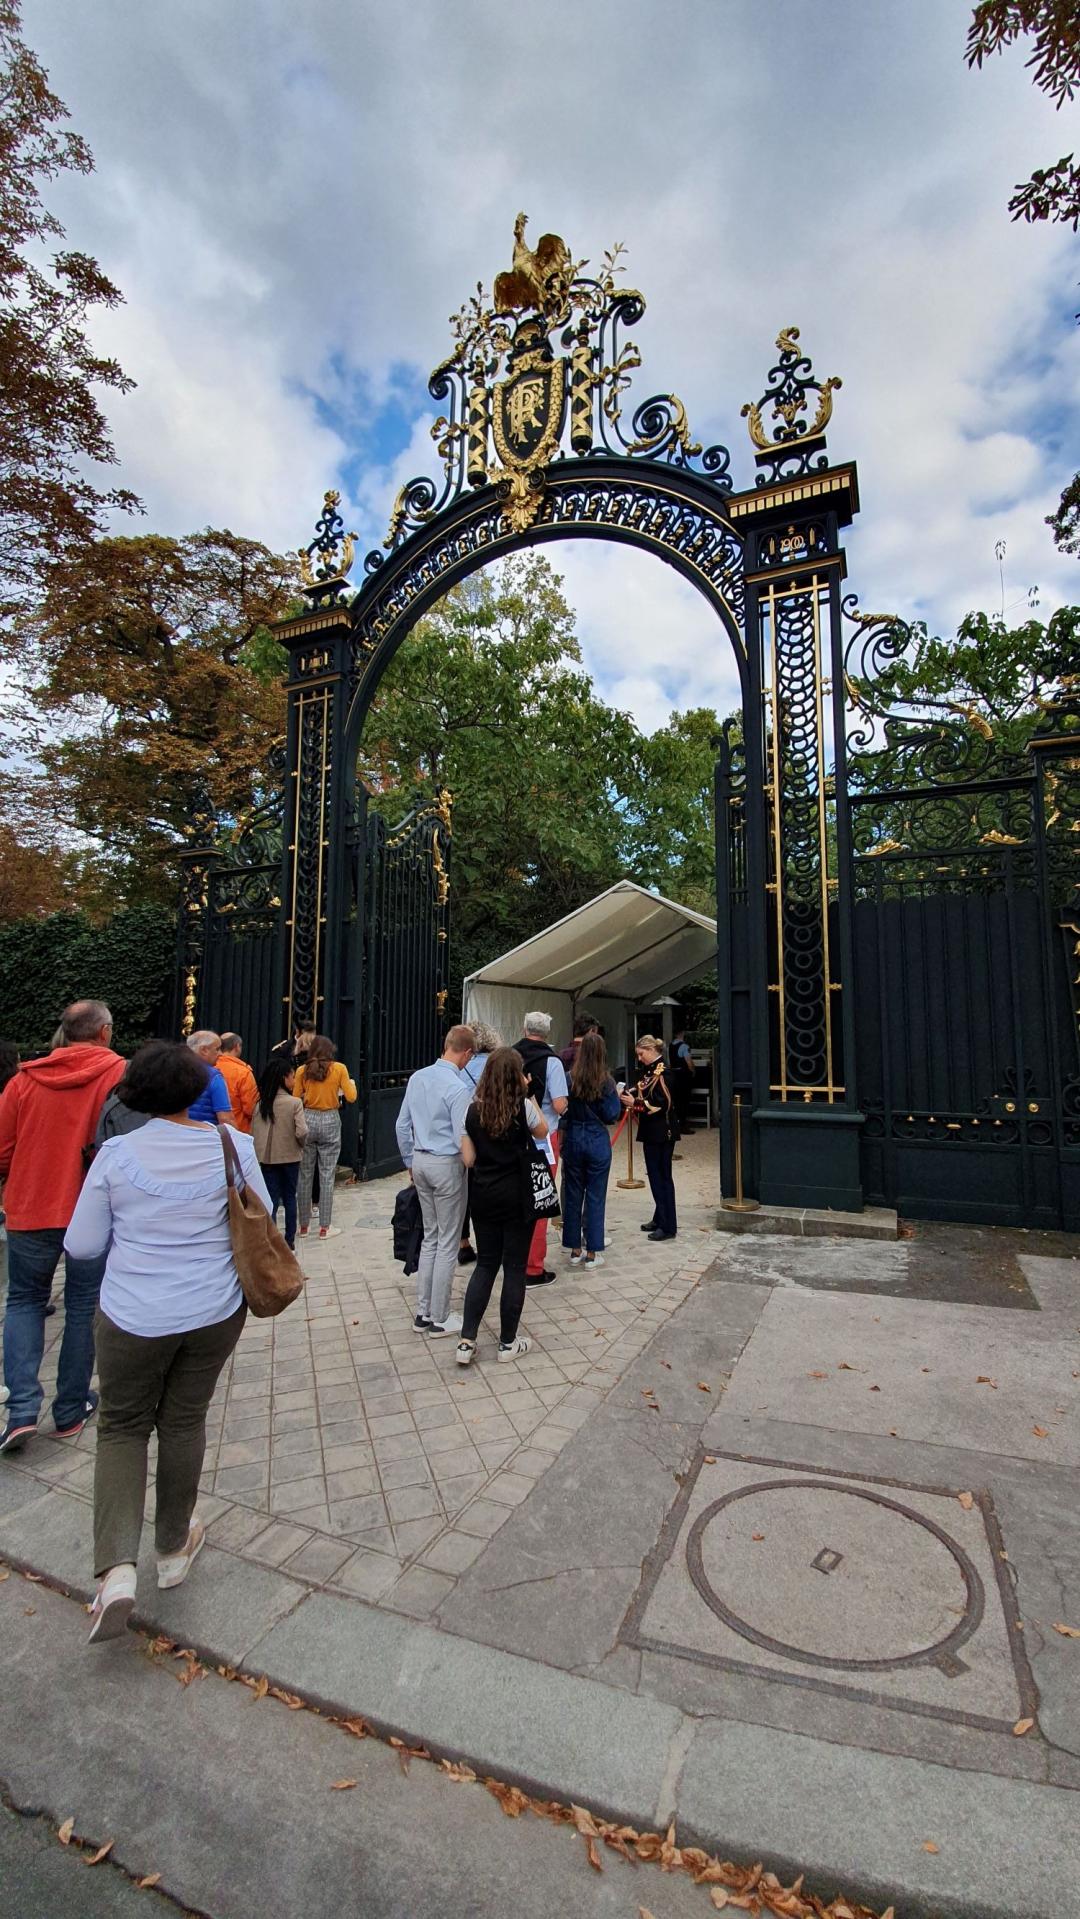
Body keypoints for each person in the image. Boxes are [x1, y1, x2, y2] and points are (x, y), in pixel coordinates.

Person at [63, 1040, 270, 1643]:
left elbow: (80, 1246)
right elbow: (260, 1214)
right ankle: (174, 1546)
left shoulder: (117, 1155)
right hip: (212, 1309)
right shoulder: (231, 1146)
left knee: (123, 1427)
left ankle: (117, 1569)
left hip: (133, 1313)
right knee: (184, 1420)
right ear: (196, 1090)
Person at [0, 1001, 126, 1454]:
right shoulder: (119, 1075)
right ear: (105, 1032)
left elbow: (1, 1150)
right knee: (82, 1307)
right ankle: (71, 1408)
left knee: (24, 1301)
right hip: (90, 1209)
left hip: (30, 1206)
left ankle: (21, 1409)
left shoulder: (24, 1079)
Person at [456, 1047, 547, 1367]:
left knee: (485, 1266)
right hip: (518, 1195)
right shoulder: (523, 1107)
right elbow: (543, 1131)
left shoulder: (472, 1110)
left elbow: (468, 1159)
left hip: (484, 1195)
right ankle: (508, 1341)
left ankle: (466, 1340)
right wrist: (528, 1090)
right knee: (515, 1267)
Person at [395, 1025, 475, 1337]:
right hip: (446, 1162)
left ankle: (422, 1311)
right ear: (466, 1053)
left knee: (430, 1235)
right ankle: (440, 1315)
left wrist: (409, 1161)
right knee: (447, 1240)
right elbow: (462, 1133)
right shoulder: (457, 1088)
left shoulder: (418, 1078)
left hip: (421, 1158)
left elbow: (402, 1124)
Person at [560, 1032, 622, 1269]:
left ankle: (574, 1248)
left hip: (575, 1136)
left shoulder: (569, 1078)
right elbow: (611, 1115)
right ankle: (593, 1251)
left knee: (573, 1194)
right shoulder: (606, 1081)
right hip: (596, 1138)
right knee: (596, 1196)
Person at [515, 1012, 568, 1285]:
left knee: (515, 1199)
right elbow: (559, 1104)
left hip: (511, 1135)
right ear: (547, 1034)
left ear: (524, 1029)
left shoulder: (509, 1056)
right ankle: (533, 1267)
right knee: (540, 1199)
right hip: (543, 1139)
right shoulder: (552, 1062)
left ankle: (512, 1258)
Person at [294, 1039, 356, 1238]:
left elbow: (296, 1097)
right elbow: (351, 1096)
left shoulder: (302, 1071)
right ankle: (324, 1227)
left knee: (304, 1174)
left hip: (308, 1117)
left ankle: (303, 1226)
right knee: (327, 1174)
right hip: (329, 1117)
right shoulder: (339, 1069)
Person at [622, 1034, 678, 1241]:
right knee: (656, 1176)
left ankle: (668, 1225)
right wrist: (629, 1093)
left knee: (660, 1178)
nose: (639, 1058)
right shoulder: (651, 1071)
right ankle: (659, 1216)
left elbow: (662, 1104)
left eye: (640, 1053)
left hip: (661, 1131)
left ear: (651, 1050)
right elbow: (643, 1089)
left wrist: (634, 1103)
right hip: (652, 1131)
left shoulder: (663, 1072)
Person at [456, 1018, 502, 1267]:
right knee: (485, 1190)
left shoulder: (460, 1067)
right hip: (490, 1134)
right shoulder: (496, 1064)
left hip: (463, 1135)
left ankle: (463, 1243)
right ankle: (490, 1242)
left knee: (463, 1191)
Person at [252, 1053, 307, 1249]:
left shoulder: (261, 1104)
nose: (294, 1080)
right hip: (290, 1155)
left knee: (271, 1198)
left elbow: (255, 1131)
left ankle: (272, 1237)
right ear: (284, 1078)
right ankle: (289, 1238)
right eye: (292, 1076)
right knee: (290, 1197)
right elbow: (302, 1131)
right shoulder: (294, 1103)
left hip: (267, 1157)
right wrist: (300, 1144)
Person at [185, 1032, 232, 1126]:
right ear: (204, 1050)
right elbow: (225, 1118)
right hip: (205, 1135)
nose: (220, 1054)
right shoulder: (214, 1077)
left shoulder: (173, 1071)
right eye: (217, 1049)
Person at [217, 1033, 258, 1134]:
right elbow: (250, 1109)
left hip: (211, 1129)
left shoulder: (208, 1068)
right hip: (237, 1131)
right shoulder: (243, 1072)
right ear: (237, 1047)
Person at [671, 1029, 697, 1134]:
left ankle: (676, 1124)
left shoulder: (671, 1046)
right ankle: (683, 1125)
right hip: (683, 1076)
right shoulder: (684, 1046)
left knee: (677, 1100)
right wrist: (693, 1071)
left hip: (674, 1075)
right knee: (684, 1100)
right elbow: (689, 1062)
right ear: (681, 1034)